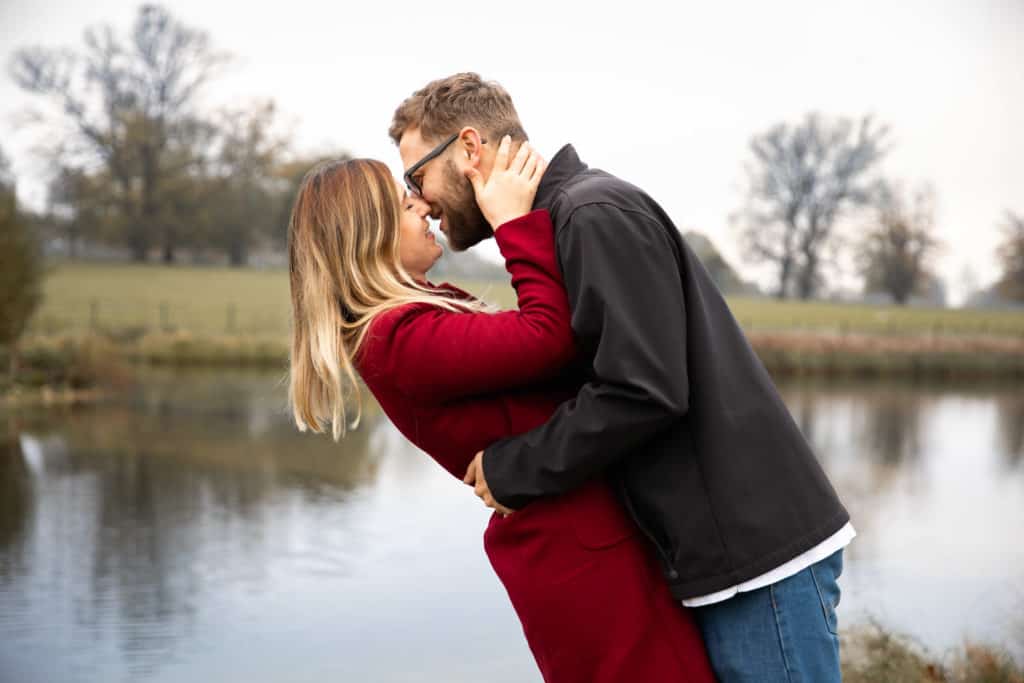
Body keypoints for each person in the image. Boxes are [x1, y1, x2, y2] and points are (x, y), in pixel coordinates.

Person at [390, 72, 855, 683]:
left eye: (415, 176)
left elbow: (644, 388)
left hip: (754, 559)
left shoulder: (590, 214)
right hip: (720, 554)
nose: (419, 200)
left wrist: (514, 468)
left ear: (469, 149)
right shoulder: (564, 219)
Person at [286, 141, 716, 682]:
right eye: (402, 203)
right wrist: (513, 224)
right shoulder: (398, 339)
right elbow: (548, 336)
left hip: (586, 541)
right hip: (581, 559)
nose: (421, 205)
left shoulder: (415, 315)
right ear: (366, 237)